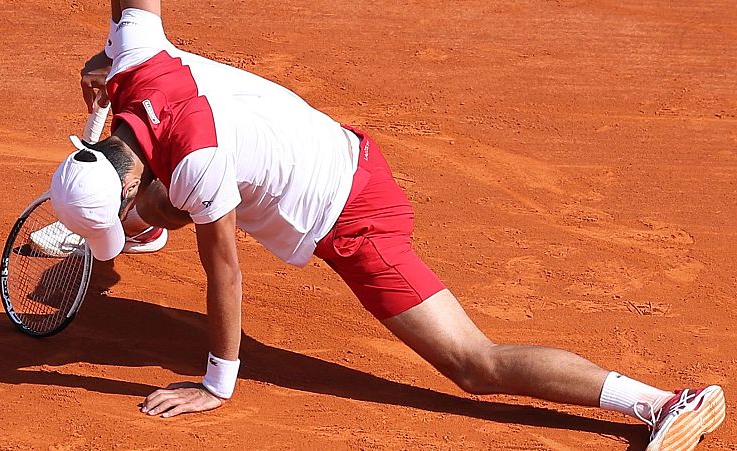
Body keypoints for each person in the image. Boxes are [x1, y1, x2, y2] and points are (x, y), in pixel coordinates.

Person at [47, 1, 725, 449]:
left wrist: (215, 383)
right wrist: (103, 61)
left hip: (352, 215)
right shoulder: (135, 55)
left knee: (474, 363)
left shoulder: (198, 164)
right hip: (327, 144)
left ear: (120, 175)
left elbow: (223, 270)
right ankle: (145, 220)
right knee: (178, 195)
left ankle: (664, 402)